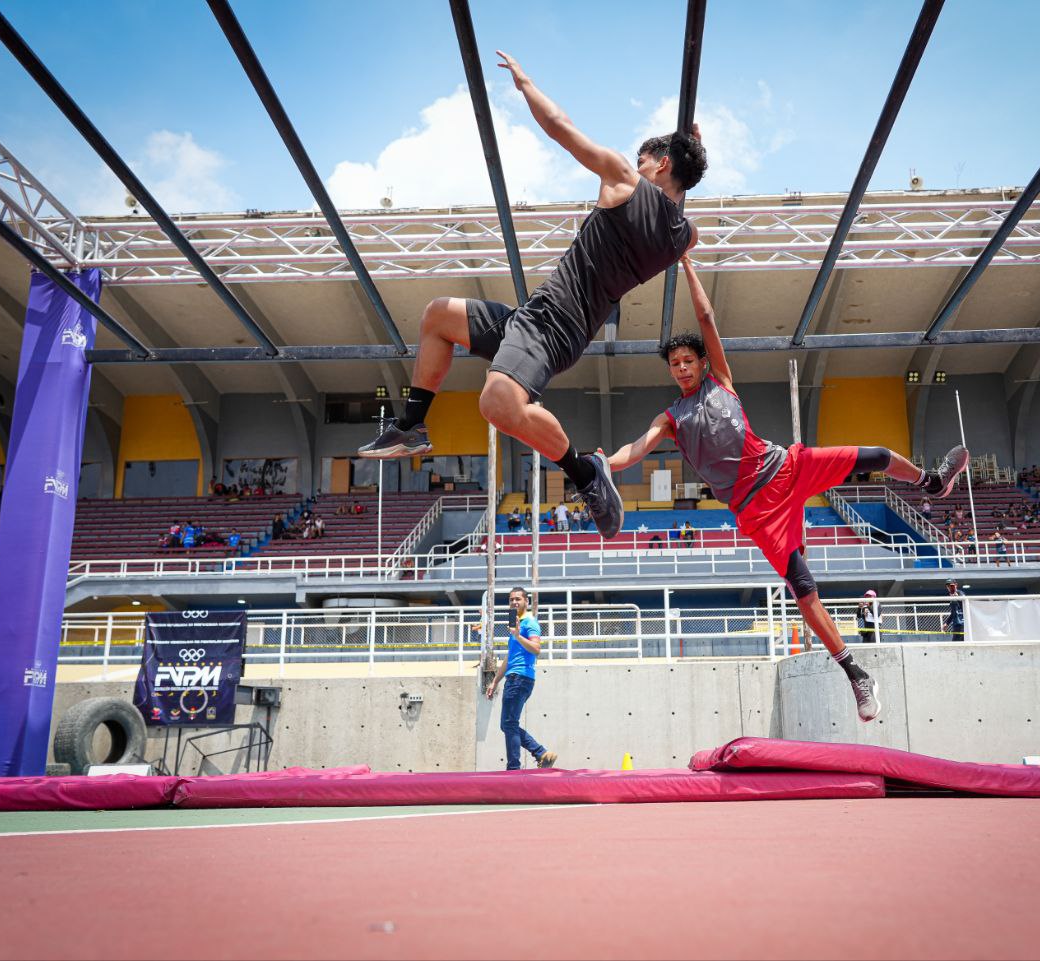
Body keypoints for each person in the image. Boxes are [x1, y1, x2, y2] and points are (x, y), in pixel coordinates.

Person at [357, 51, 707, 545]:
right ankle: (411, 425)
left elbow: (560, 126)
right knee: (438, 316)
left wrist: (525, 85)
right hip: (535, 318)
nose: (637, 163)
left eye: (646, 158)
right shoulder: (683, 238)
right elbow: (674, 204)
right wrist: (694, 149)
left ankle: (584, 472)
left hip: (554, 327)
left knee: (496, 402)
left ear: (660, 163)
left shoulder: (626, 182)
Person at [601, 254, 970, 722]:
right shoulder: (671, 419)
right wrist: (602, 463)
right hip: (758, 513)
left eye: (687, 360)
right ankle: (856, 674)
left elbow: (707, 317)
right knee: (804, 590)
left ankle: (932, 484)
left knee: (876, 455)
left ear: (701, 362)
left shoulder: (723, 383)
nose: (680, 368)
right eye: (673, 364)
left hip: (786, 468)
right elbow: (635, 449)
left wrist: (686, 261)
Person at [485, 587, 558, 771]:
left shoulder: (529, 622)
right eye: (511, 600)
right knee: (508, 724)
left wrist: (518, 635)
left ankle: (515, 768)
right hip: (515, 677)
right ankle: (540, 753)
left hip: (520, 678)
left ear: (526, 601)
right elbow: (510, 657)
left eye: (518, 599)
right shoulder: (515, 623)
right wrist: (495, 681)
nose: (514, 602)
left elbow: (536, 648)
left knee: (509, 724)